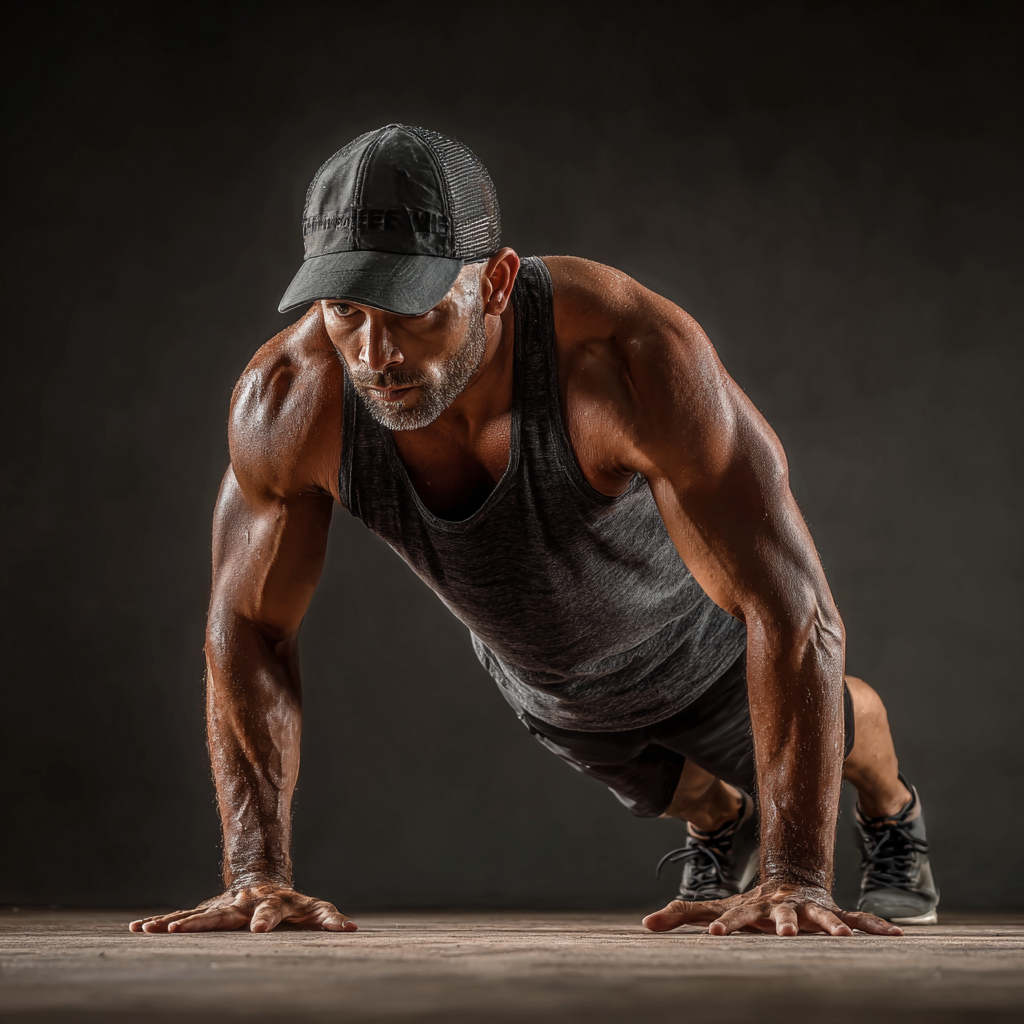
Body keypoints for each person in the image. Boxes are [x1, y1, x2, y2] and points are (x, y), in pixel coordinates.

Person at [130, 125, 938, 938]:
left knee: (847, 749)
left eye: (413, 310)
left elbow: (793, 612)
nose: (375, 354)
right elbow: (248, 625)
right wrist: (256, 873)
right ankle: (719, 827)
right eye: (345, 311)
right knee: (693, 795)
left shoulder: (628, 355)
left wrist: (797, 878)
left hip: (704, 647)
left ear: (497, 281)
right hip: (553, 685)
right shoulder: (292, 400)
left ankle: (894, 815)